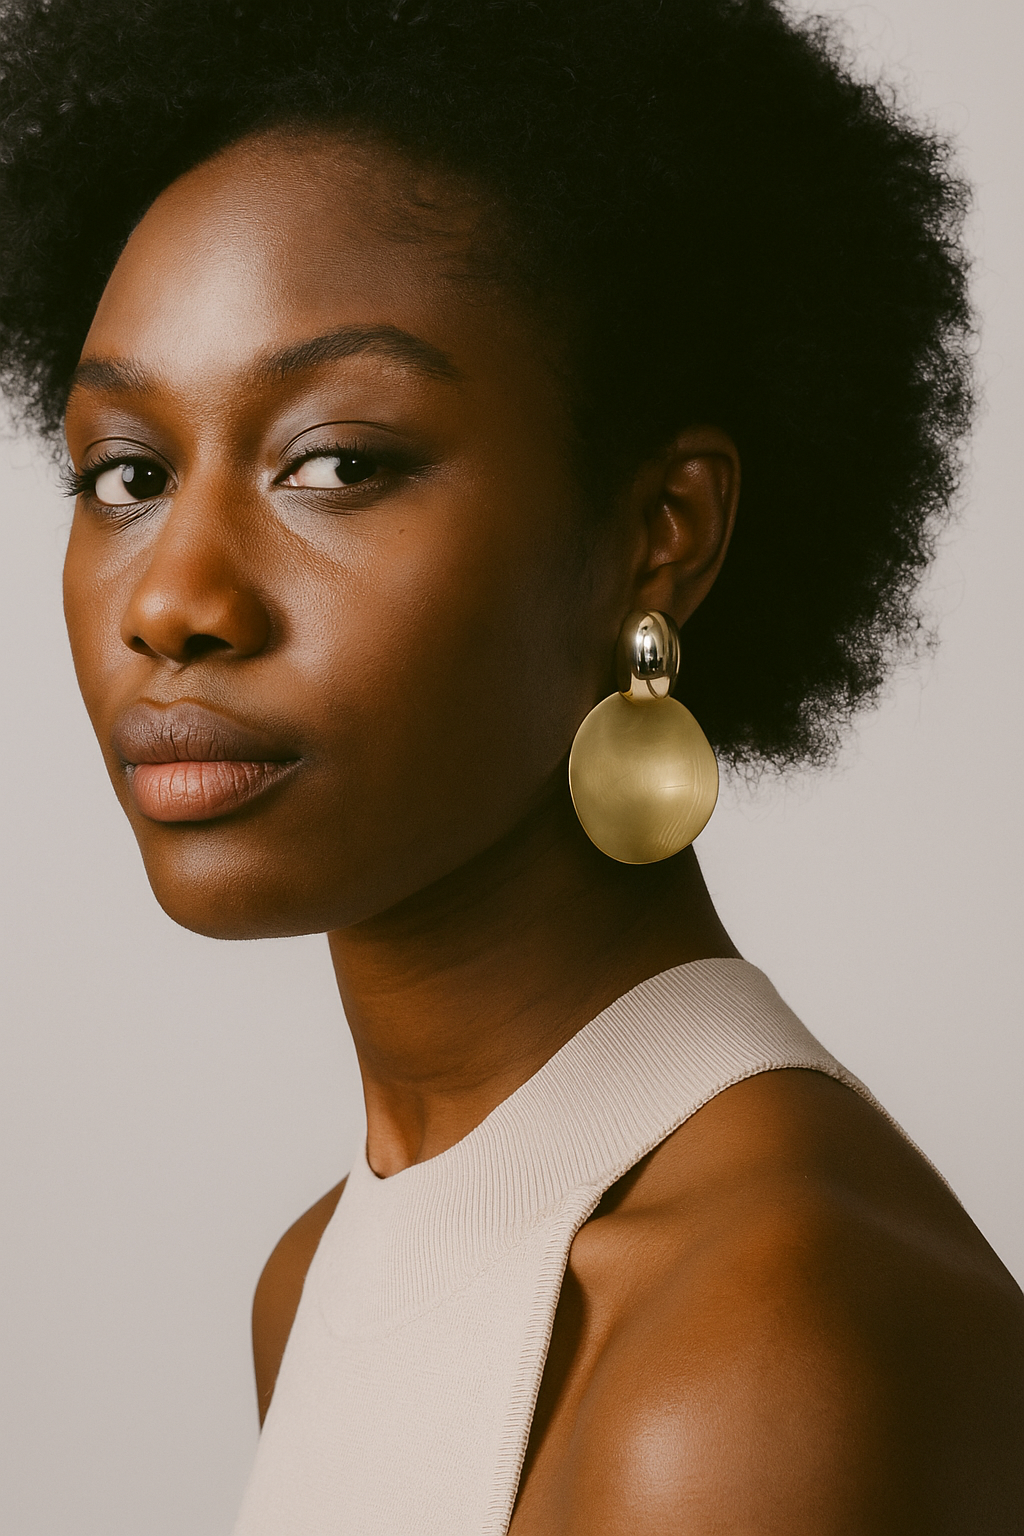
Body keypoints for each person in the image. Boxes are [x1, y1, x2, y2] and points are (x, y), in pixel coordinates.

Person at [1, 0, 1020, 1529]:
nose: (174, 603)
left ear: (656, 535)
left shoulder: (761, 1335)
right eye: (127, 474)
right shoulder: (326, 1273)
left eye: (340, 462)